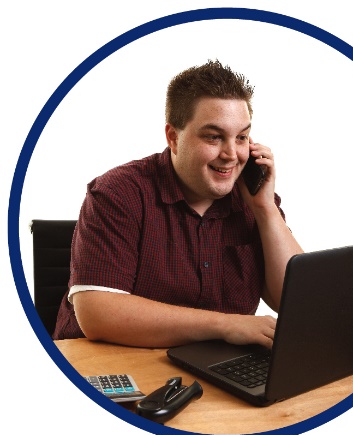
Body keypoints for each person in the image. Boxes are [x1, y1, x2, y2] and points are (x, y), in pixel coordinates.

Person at [53, 60, 303, 349]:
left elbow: (296, 302)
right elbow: (97, 313)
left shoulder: (252, 198)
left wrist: (265, 210)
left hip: (213, 366)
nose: (232, 154)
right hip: (110, 369)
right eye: (214, 136)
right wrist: (226, 324)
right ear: (173, 137)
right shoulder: (118, 193)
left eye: (242, 137)